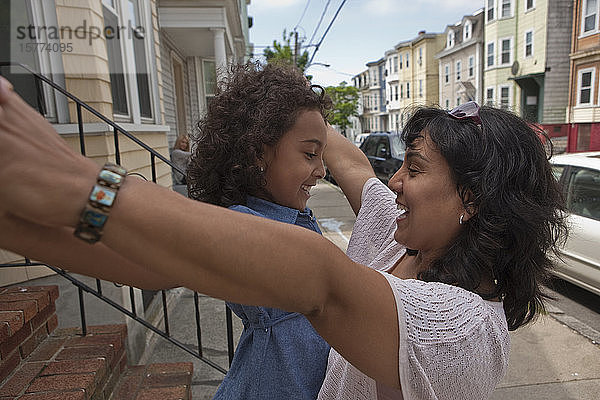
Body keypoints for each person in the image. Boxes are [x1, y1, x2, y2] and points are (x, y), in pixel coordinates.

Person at [0, 73, 567, 399]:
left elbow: (321, 280)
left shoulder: (465, 331)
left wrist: (87, 186)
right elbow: (351, 165)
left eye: (414, 169)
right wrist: (293, 112)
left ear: (470, 200)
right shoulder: (398, 241)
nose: (394, 181)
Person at [188, 63, 332, 399]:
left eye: (322, 155)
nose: (322, 170)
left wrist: (298, 102)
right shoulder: (242, 224)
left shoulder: (294, 216)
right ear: (257, 153)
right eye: (311, 154)